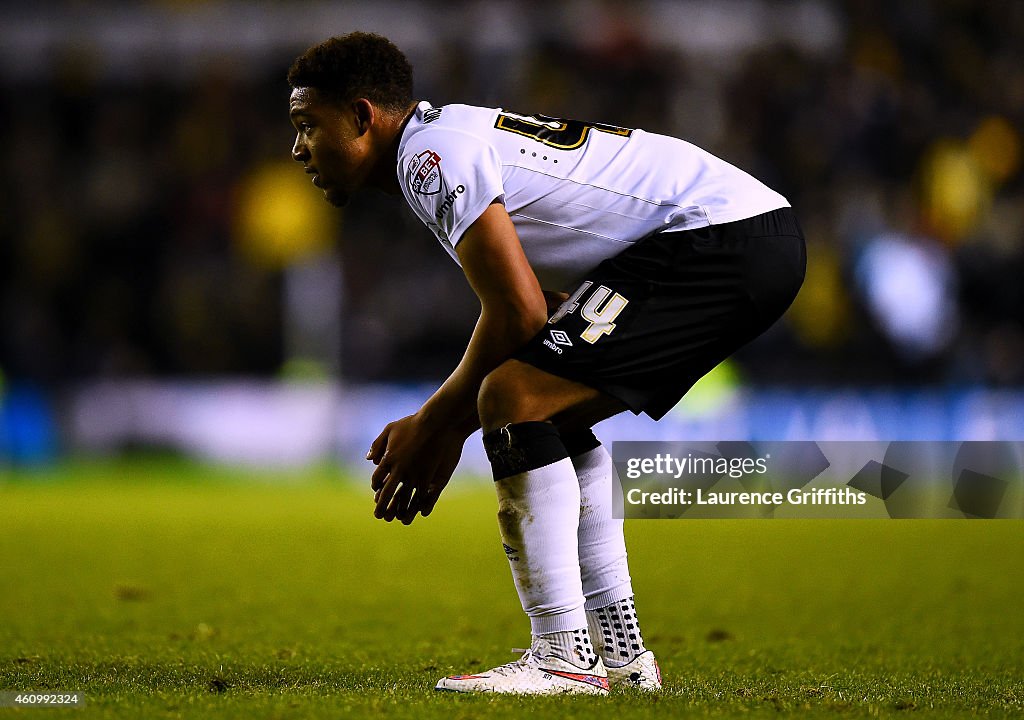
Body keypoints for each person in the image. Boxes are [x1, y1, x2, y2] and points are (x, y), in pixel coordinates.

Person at [287, 32, 805, 696]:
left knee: (512, 397)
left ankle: (562, 657)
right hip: (741, 234)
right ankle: (621, 658)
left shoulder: (428, 158)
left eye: (308, 126)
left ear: (362, 117)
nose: (298, 148)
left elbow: (521, 315)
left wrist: (437, 422)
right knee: (539, 408)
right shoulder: (445, 141)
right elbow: (544, 305)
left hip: (716, 237)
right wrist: (447, 422)